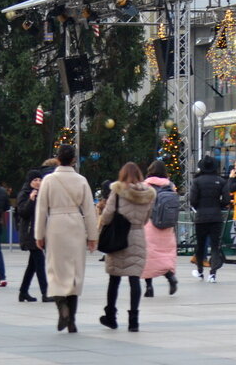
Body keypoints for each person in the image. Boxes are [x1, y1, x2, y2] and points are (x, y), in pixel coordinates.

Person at [35, 143, 99, 333]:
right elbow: (89, 210)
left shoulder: (48, 180)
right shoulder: (81, 180)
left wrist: (39, 234)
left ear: (57, 158)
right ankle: (72, 320)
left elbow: (41, 208)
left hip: (55, 225)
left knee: (55, 270)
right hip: (76, 226)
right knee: (75, 273)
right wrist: (92, 236)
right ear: (73, 160)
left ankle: (61, 306)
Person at [97, 162, 155, 332]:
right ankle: (133, 321)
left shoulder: (117, 190)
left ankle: (111, 316)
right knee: (134, 279)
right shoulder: (149, 194)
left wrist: (101, 226)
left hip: (118, 236)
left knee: (114, 279)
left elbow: (107, 214)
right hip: (137, 236)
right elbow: (146, 219)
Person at [188, 155, 231, 282]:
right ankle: (213, 273)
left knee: (201, 245)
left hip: (201, 216)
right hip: (216, 216)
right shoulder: (221, 181)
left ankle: (200, 271)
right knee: (215, 245)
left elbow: (192, 200)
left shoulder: (197, 181)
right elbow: (227, 200)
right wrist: (219, 205)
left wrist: (199, 206)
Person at [141, 159, 179, 297]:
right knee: (165, 256)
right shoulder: (170, 185)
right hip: (167, 227)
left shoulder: (145, 186)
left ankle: (149, 287)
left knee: (149, 257)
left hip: (149, 225)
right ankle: (170, 277)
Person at [16, 169, 47, 302]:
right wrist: (31, 199)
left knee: (32, 265)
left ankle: (23, 292)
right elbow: (23, 212)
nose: (38, 182)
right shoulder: (24, 194)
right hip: (30, 233)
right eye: (35, 180)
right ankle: (45, 292)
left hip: (39, 233)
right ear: (30, 182)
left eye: (40, 180)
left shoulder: (43, 194)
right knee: (39, 263)